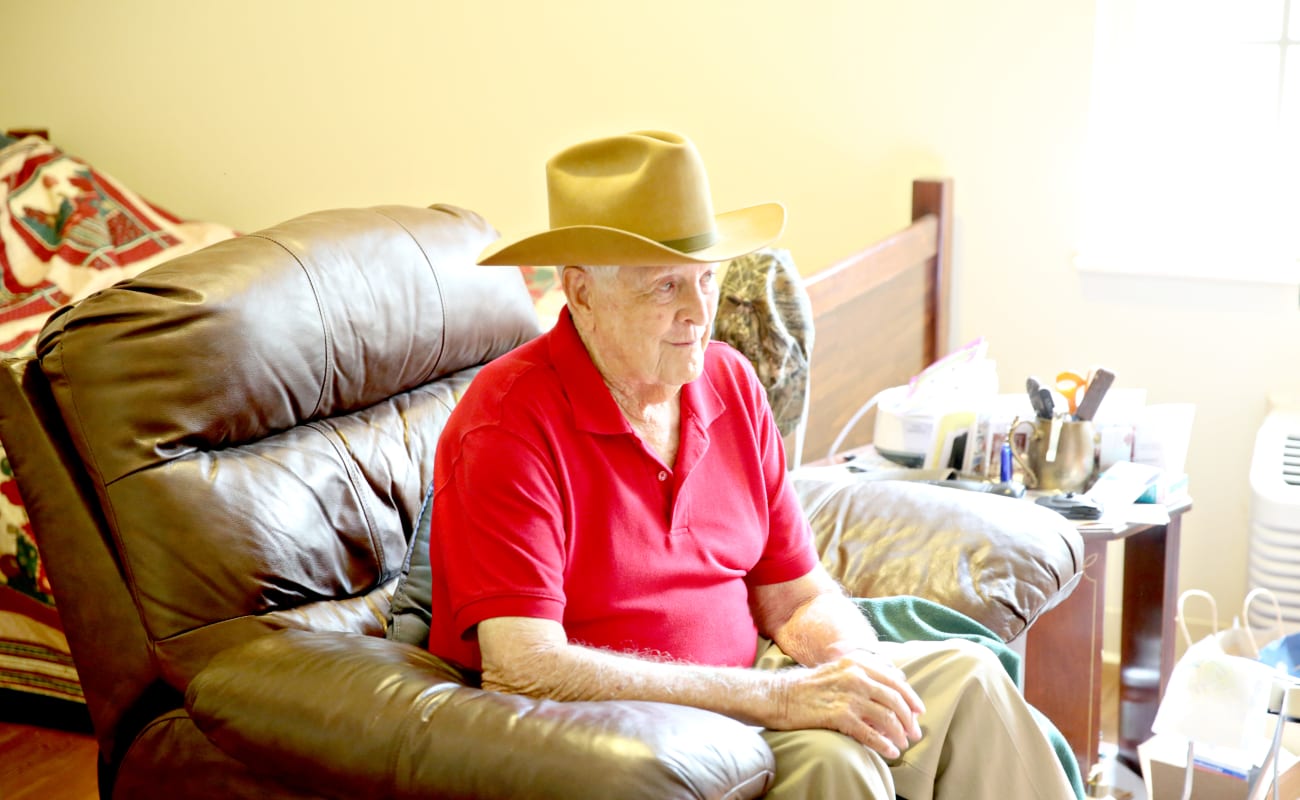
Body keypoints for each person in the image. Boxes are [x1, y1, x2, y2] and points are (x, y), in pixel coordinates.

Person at [426, 129, 1076, 799]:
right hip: (629, 729)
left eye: (707, 279)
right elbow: (523, 667)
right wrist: (782, 699)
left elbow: (796, 595)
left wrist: (854, 664)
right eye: (665, 286)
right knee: (838, 763)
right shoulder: (507, 424)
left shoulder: (730, 383)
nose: (698, 312)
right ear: (582, 291)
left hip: (760, 683)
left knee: (969, 677)